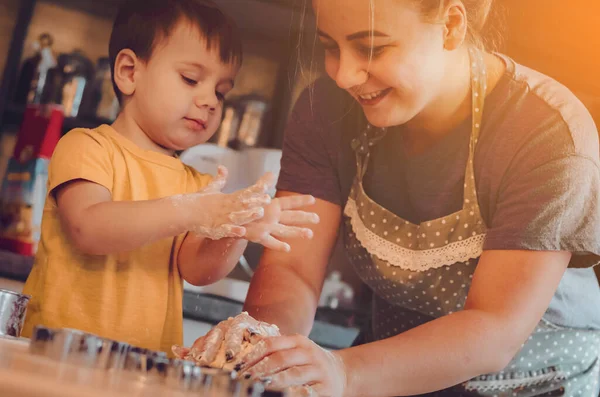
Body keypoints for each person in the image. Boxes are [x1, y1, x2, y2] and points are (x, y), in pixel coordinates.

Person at [186, 0, 600, 395]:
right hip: (386, 379)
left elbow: (495, 328)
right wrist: (263, 350)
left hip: (534, 384)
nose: (345, 75)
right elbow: (292, 267)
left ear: (452, 26)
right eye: (330, 46)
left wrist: (343, 372)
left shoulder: (545, 133)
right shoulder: (325, 111)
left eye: (372, 47)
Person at [20, 0, 319, 353]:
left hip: (142, 369)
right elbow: (89, 228)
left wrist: (239, 229)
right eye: (190, 79)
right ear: (129, 73)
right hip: (55, 355)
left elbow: (197, 270)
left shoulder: (195, 185)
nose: (210, 100)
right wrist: (192, 211)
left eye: (221, 92)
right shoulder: (87, 147)